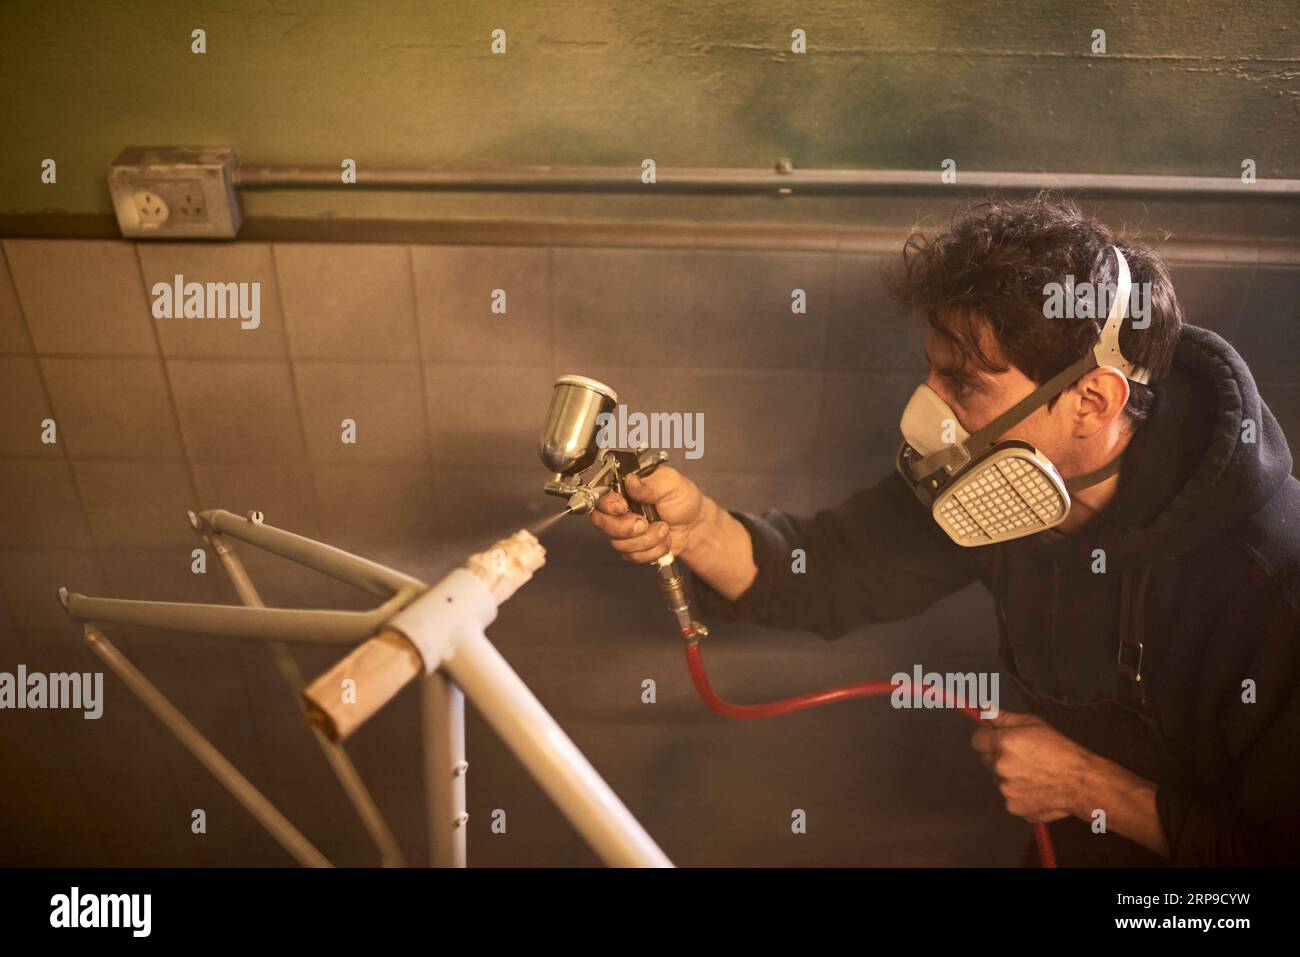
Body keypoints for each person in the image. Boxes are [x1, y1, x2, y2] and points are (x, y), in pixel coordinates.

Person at [589, 193, 1300, 866]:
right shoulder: (992, 484)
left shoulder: (1271, 583)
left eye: (964, 383)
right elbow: (827, 570)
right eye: (931, 373)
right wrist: (696, 526)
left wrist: (1092, 790)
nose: (931, 410)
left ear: (1091, 399)